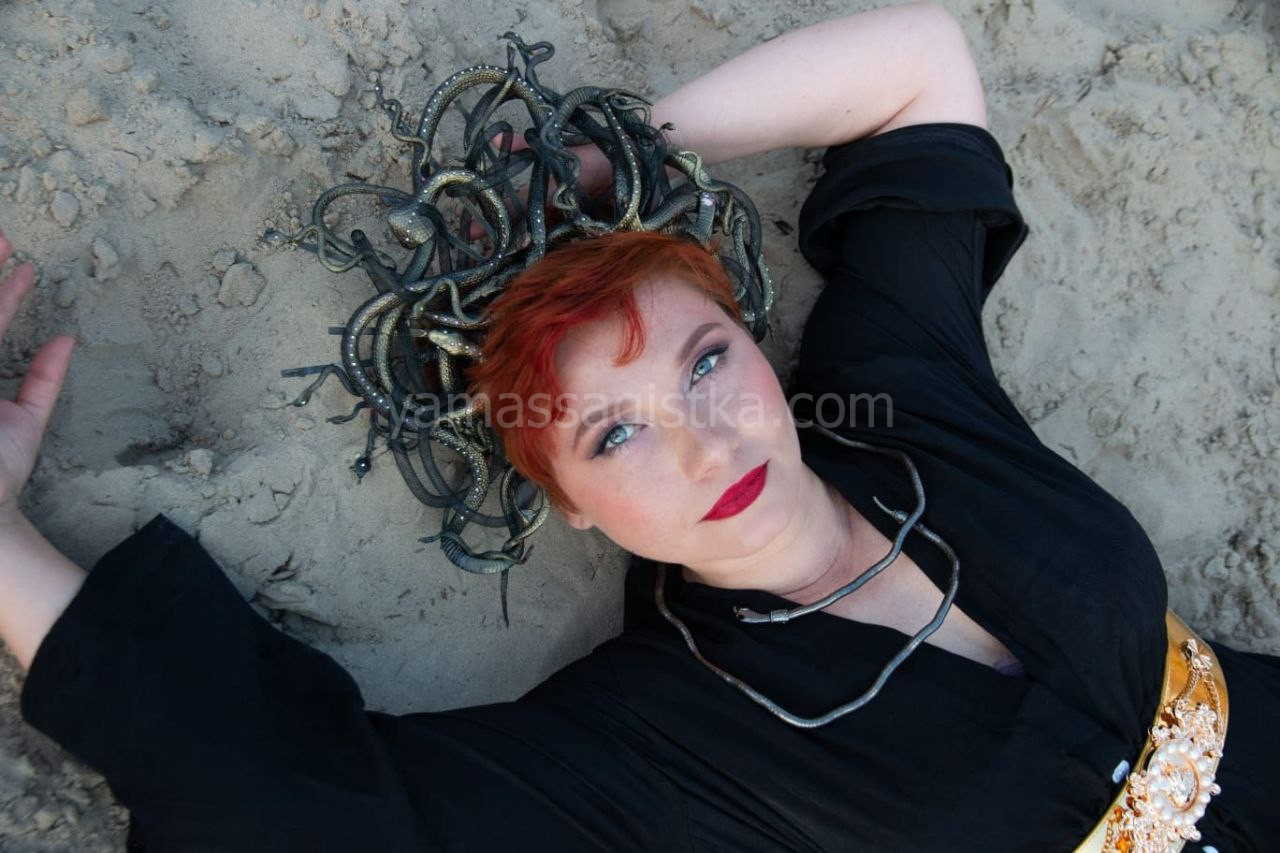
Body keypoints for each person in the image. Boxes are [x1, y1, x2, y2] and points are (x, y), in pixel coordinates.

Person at [1, 3, 1277, 850]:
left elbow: (919, 68)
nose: (704, 441)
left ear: (750, 340)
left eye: (704, 361)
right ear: (564, 498)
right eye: (612, 436)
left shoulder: (904, 404)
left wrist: (612, 159)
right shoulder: (661, 734)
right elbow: (287, 806)